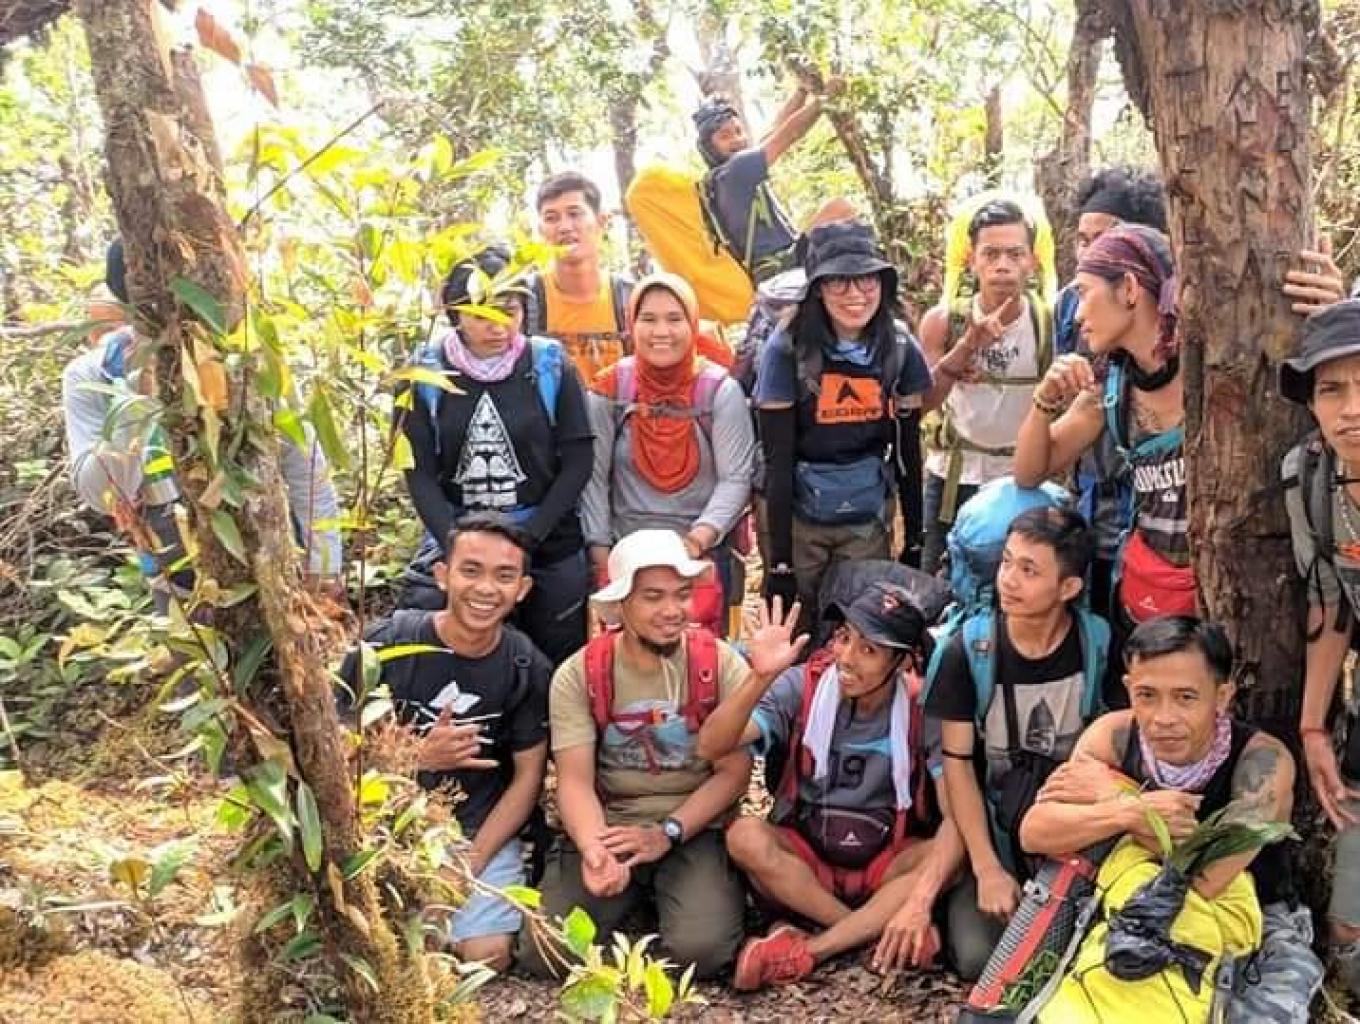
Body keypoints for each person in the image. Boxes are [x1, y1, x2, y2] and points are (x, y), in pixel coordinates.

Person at [1019, 616, 1317, 1022]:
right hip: (1121, 902)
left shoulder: (1263, 762)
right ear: (1128, 689)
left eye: (1185, 698)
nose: (1164, 717)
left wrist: (1115, 799)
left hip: (1250, 920)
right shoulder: (1113, 737)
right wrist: (1129, 811)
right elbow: (1035, 832)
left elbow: (1208, 876)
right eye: (1147, 695)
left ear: (1222, 696)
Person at [696, 585, 968, 990]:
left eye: (869, 650)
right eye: (844, 637)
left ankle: (814, 949)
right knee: (745, 836)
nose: (847, 657)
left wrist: (919, 901)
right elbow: (710, 745)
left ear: (903, 661)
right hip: (807, 861)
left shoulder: (921, 709)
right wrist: (760, 677)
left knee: (949, 855)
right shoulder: (802, 687)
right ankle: (870, 932)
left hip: (887, 863)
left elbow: (955, 816)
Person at [516, 529, 753, 980]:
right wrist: (593, 849)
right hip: (612, 822)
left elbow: (733, 774)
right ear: (621, 603)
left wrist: (667, 833)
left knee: (703, 953)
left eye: (682, 595)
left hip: (692, 825)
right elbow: (574, 780)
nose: (672, 610)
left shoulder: (718, 664)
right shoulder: (580, 674)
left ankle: (672, 907)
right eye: (653, 597)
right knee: (542, 949)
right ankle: (635, 915)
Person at [62, 240, 343, 612]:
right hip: (176, 580)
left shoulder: (246, 355)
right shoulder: (94, 375)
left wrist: (324, 565)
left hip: (272, 562)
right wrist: (135, 394)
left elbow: (304, 464)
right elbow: (101, 495)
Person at [340, 514, 549, 972]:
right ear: (442, 575)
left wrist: (466, 866)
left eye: (504, 576)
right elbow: (334, 751)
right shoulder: (386, 644)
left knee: (487, 955)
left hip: (476, 829)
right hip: (388, 825)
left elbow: (528, 779)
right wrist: (414, 756)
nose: (486, 589)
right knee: (380, 944)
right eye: (470, 570)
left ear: (522, 589)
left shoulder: (525, 666)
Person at [924, 507, 1109, 979]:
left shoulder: (1097, 647)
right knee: (979, 957)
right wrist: (986, 868)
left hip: (1074, 833)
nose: (1009, 580)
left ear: (1069, 587)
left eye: (1029, 570)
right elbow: (957, 763)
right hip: (996, 833)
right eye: (1006, 562)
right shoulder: (969, 650)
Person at [400, 245, 593, 665]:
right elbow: (418, 472)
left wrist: (529, 538)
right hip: (457, 532)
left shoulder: (549, 365)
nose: (499, 326)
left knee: (557, 655)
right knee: (442, 648)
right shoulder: (425, 373)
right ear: (456, 314)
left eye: (510, 311)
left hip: (545, 535)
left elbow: (578, 460)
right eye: (482, 314)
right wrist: (455, 543)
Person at [755, 219, 931, 629]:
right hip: (797, 515)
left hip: (865, 515)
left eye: (866, 280)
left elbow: (908, 451)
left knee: (860, 628)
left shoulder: (899, 346)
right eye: (839, 282)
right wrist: (780, 565)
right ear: (818, 288)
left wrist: (914, 539)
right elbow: (777, 460)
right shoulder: (787, 348)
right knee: (797, 630)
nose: (855, 294)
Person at [1014, 225, 1190, 631]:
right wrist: (1044, 401)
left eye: (1084, 292)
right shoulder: (1111, 387)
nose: (1077, 315)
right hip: (1152, 595)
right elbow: (1028, 472)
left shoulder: (1212, 369)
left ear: (1128, 289)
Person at [582, 273, 755, 632]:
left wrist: (695, 541)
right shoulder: (611, 389)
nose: (661, 331)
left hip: (699, 552)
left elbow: (736, 478)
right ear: (631, 325)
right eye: (648, 319)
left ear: (692, 323)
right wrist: (601, 553)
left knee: (702, 658)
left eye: (675, 319)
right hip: (626, 554)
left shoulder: (719, 391)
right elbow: (592, 477)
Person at [1279, 298, 1360, 998]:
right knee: (1349, 948)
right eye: (1332, 389)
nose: (1351, 409)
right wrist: (1312, 726)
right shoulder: (1310, 478)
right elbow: (1328, 600)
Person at [918, 198, 1052, 574]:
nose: (1002, 265)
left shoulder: (1048, 324)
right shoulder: (942, 322)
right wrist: (965, 348)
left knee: (1015, 584)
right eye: (990, 254)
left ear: (1032, 261)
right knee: (938, 582)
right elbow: (922, 401)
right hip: (953, 477)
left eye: (1015, 254)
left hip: (1022, 479)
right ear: (971, 260)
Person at [693, 86, 854, 284]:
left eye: (738, 131)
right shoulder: (736, 169)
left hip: (772, 269)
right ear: (708, 148)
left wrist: (801, 92)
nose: (737, 140)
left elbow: (775, 130)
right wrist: (823, 99)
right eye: (725, 136)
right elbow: (788, 134)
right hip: (781, 268)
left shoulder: (721, 180)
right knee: (840, 209)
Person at [524, 171, 634, 383]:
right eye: (551, 218)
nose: (565, 227)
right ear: (541, 230)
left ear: (601, 221)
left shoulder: (630, 298)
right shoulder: (525, 300)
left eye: (574, 214)